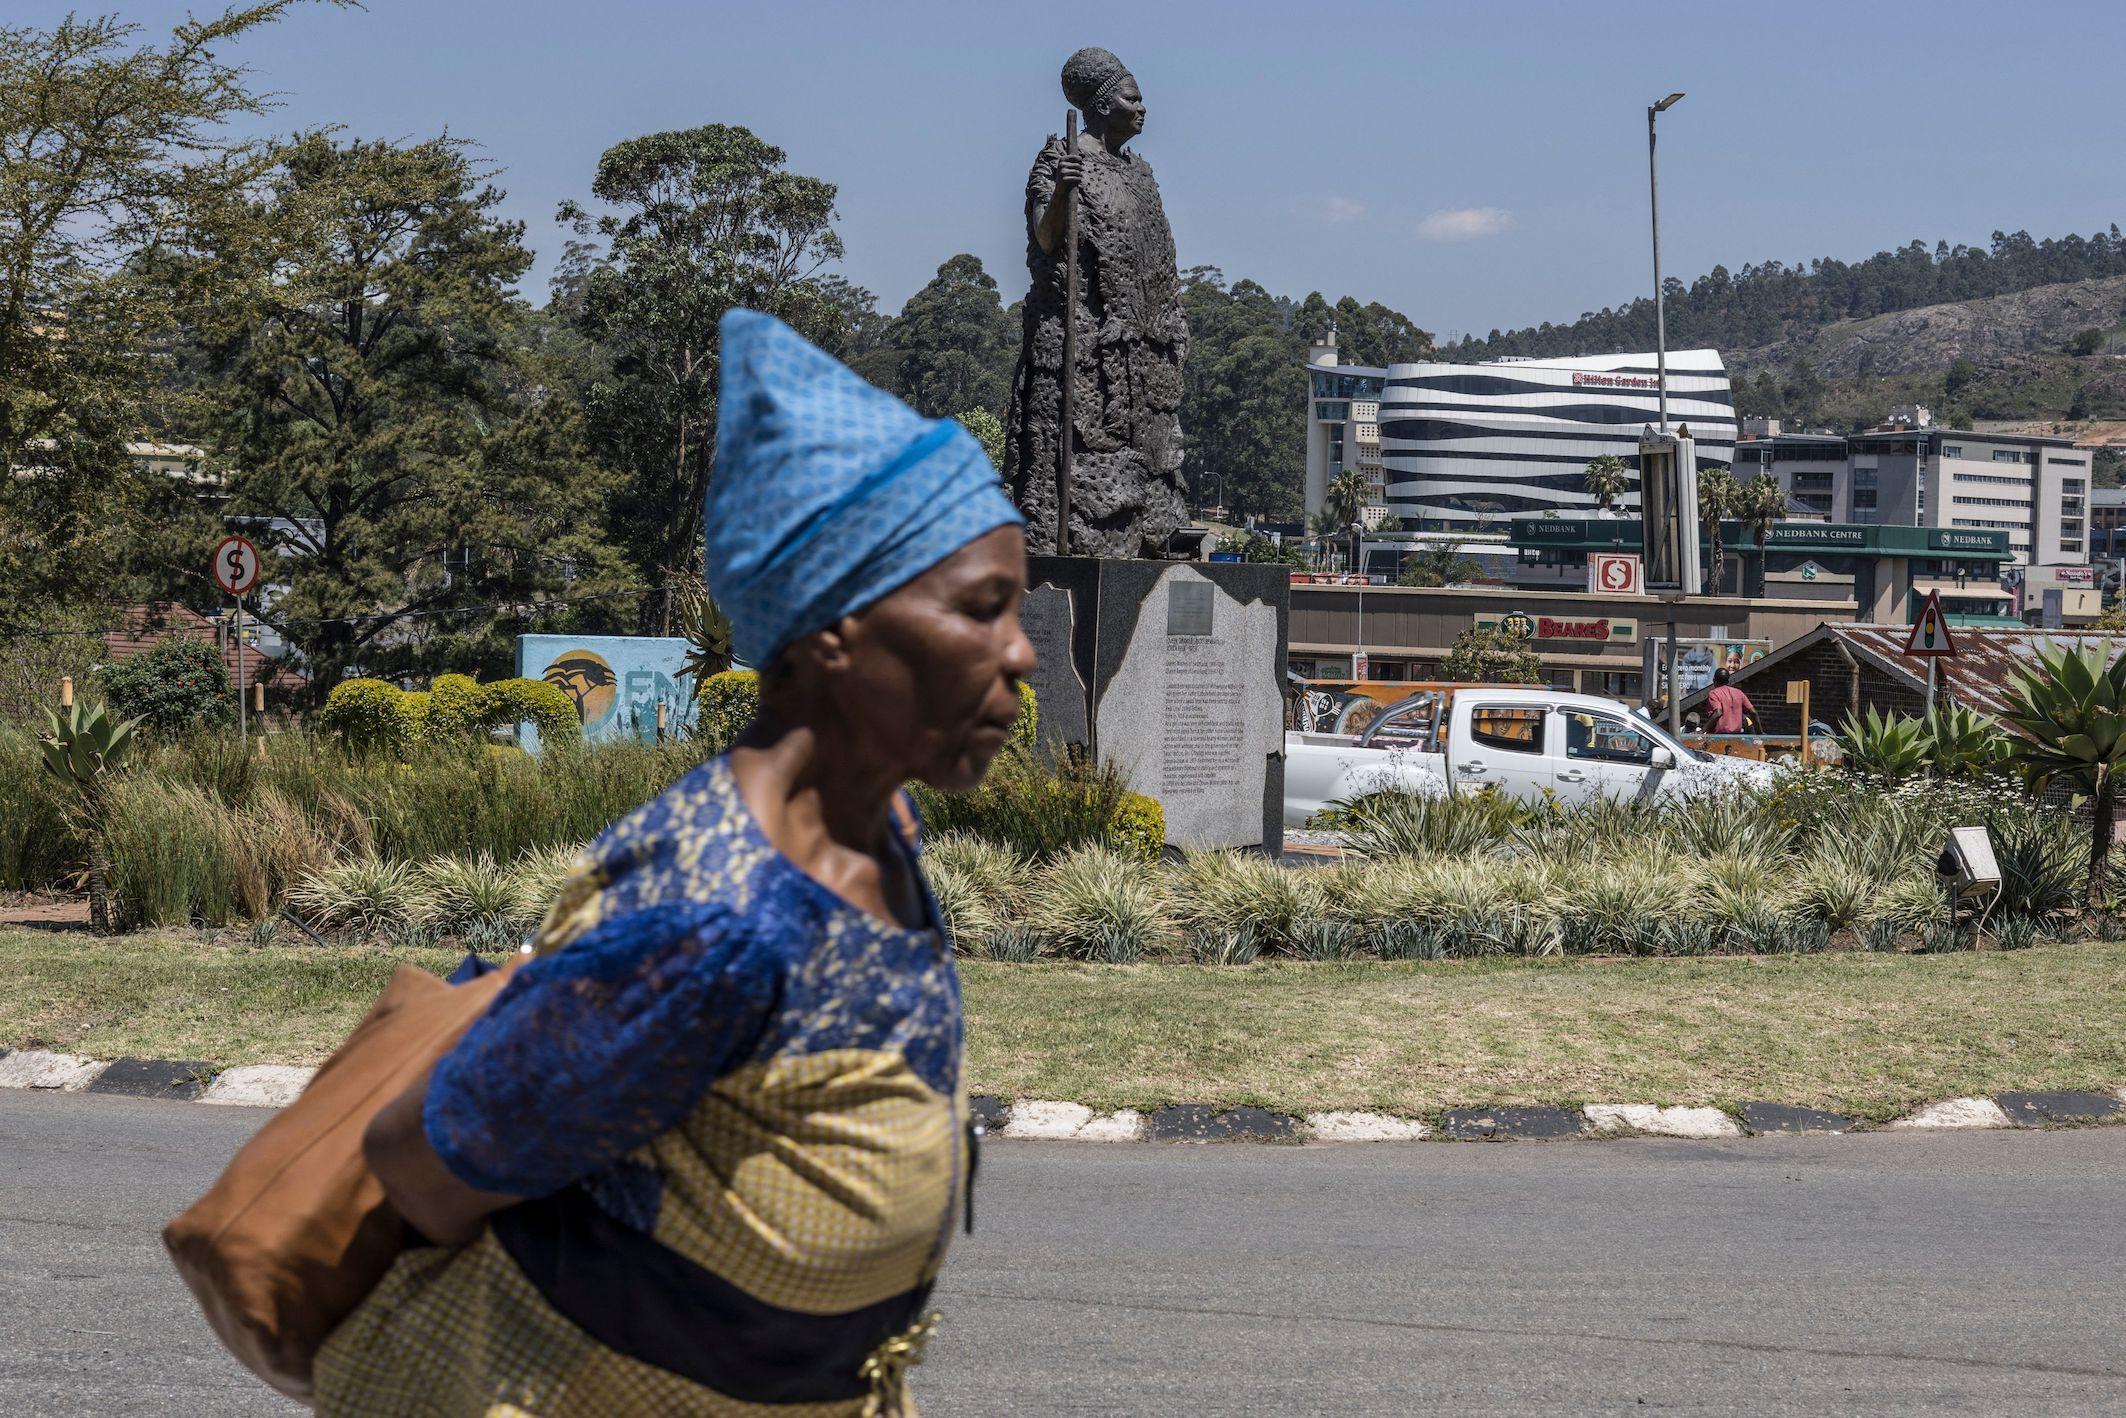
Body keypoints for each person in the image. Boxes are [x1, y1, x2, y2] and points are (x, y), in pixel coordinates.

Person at [314, 310, 1033, 1417]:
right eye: (981, 609)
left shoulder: (877, 829)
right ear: (832, 633)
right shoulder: (714, 914)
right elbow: (421, 1160)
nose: (1019, 652)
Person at [1006, 45, 1189, 557]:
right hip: (1080, 346)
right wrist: (1063, 190)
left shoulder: (1139, 175)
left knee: (1150, 466)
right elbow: (1046, 238)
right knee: (1072, 461)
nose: (1143, 108)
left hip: (1139, 356)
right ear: (1106, 104)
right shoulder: (1061, 159)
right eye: (1135, 99)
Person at [1705, 668, 1757, 735]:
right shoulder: (1739, 693)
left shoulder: (1714, 693)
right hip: (1736, 737)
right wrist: (1760, 733)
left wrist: (1702, 730)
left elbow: (1718, 713)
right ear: (1728, 681)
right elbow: (1753, 712)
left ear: (1714, 680)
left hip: (1719, 737)